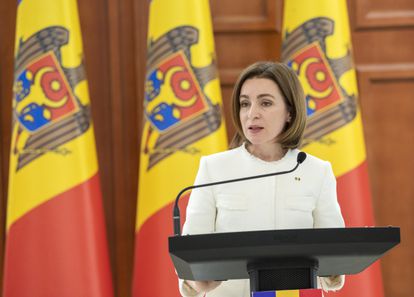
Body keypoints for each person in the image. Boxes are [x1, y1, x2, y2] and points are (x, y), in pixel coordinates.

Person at [178, 61, 345, 297]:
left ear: (290, 111)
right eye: (245, 103)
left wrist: (333, 269)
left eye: (265, 103)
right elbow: (191, 255)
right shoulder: (214, 168)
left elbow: (335, 261)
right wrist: (196, 282)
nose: (252, 113)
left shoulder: (316, 171)